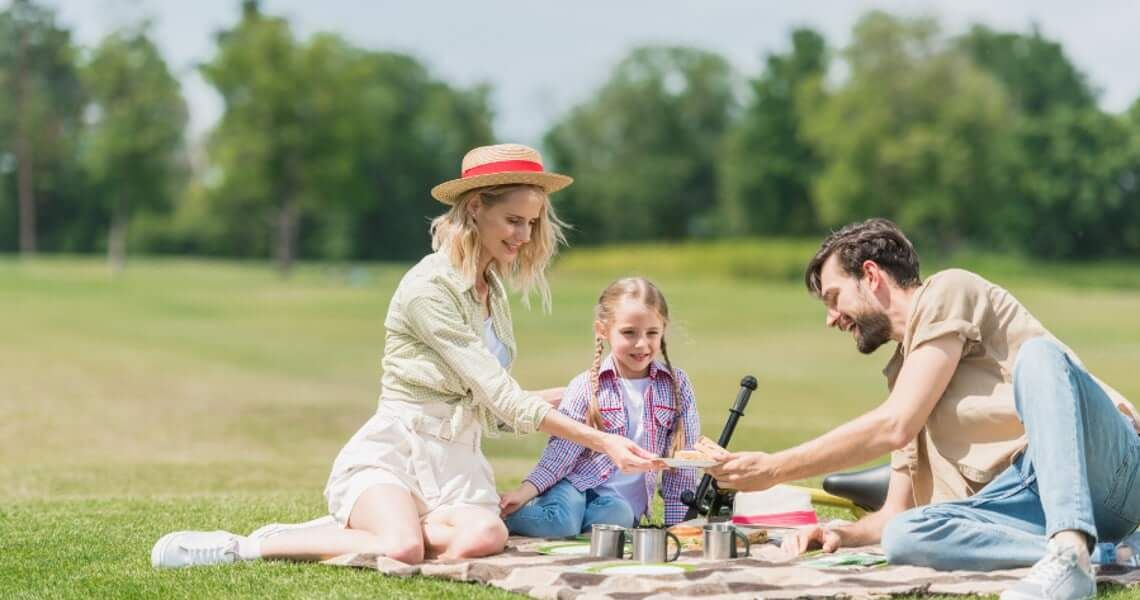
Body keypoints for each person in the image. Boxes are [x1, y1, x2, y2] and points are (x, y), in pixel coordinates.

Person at [150, 143, 660, 569]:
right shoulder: (428, 288)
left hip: (458, 463)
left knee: (484, 537)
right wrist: (600, 439)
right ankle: (248, 545)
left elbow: (492, 409)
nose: (524, 236)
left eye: (531, 223)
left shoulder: (492, 292)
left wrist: (582, 395)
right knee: (403, 548)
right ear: (476, 207)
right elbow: (501, 395)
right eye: (513, 220)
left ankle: (354, 532)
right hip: (397, 452)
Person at [708, 218, 1139, 600]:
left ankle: (1069, 552)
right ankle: (1103, 552)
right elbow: (895, 512)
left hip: (1102, 469)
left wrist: (775, 469)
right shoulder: (904, 377)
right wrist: (839, 533)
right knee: (904, 535)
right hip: (1020, 502)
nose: (831, 318)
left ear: (871, 275)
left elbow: (895, 424)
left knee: (1039, 357)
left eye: (834, 297)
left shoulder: (949, 289)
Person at [499, 277, 701, 536]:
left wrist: (677, 526)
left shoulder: (676, 385)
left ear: (663, 330)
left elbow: (682, 459)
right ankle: (501, 516)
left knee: (619, 519)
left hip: (616, 505)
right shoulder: (586, 385)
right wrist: (523, 492)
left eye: (652, 333)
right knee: (561, 522)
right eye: (629, 333)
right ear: (603, 330)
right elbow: (560, 453)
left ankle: (569, 528)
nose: (641, 344)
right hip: (575, 485)